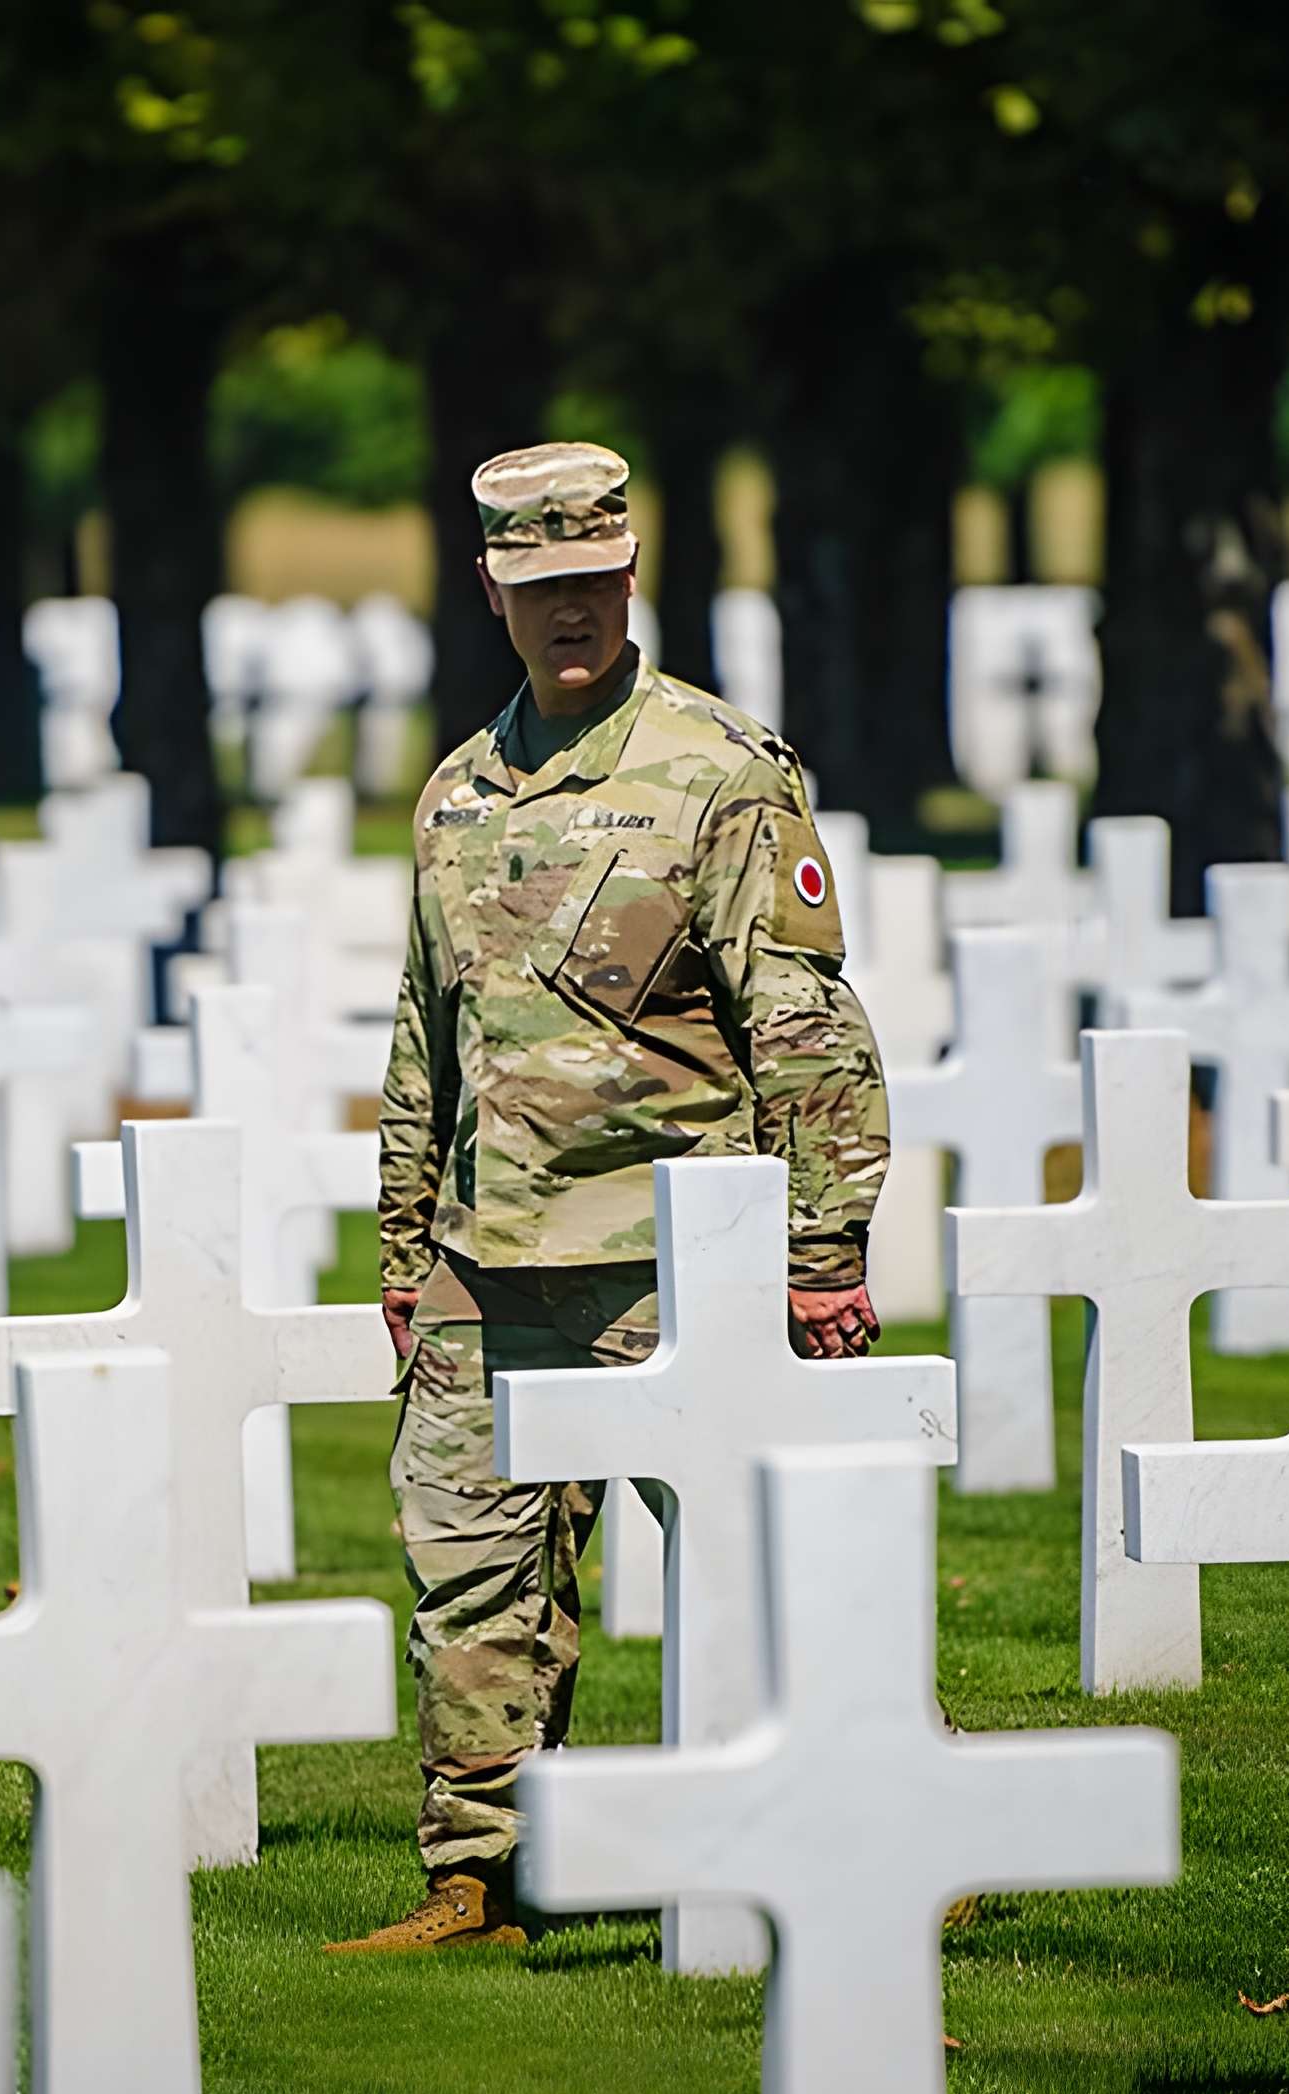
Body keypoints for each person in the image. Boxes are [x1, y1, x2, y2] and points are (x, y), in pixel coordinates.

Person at [327, 440, 891, 1954]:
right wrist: (400, 1242)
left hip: (672, 1255)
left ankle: (881, 1822)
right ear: (491, 594)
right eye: (537, 588)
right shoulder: (456, 792)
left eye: (591, 583)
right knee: (465, 1575)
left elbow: (804, 1021)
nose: (568, 613)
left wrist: (823, 1248)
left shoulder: (718, 769)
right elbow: (422, 1036)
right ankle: (481, 1880)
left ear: (629, 576)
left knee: (767, 1558)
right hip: (483, 1258)